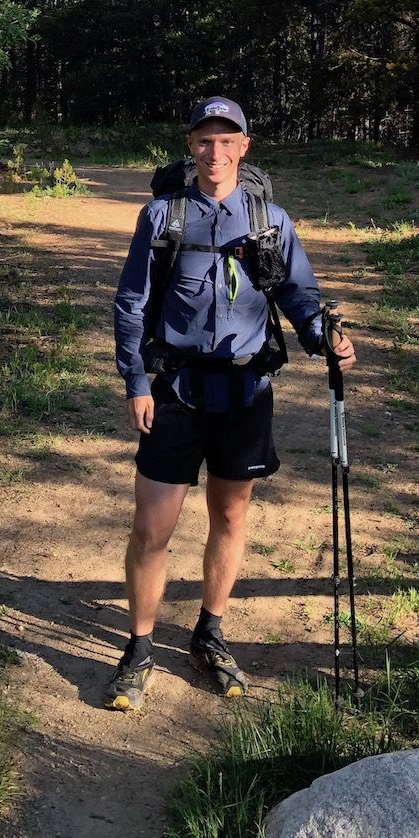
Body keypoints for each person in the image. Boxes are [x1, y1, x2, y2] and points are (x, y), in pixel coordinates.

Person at [104, 95, 355, 711]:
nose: (214, 152)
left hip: (246, 391)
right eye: (203, 140)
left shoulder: (272, 221)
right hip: (176, 391)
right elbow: (131, 303)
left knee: (231, 517)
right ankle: (138, 648)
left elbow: (300, 298)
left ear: (245, 147)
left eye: (227, 140)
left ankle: (209, 633)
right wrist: (137, 381)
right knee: (152, 527)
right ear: (190, 146)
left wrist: (328, 339)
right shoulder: (161, 218)